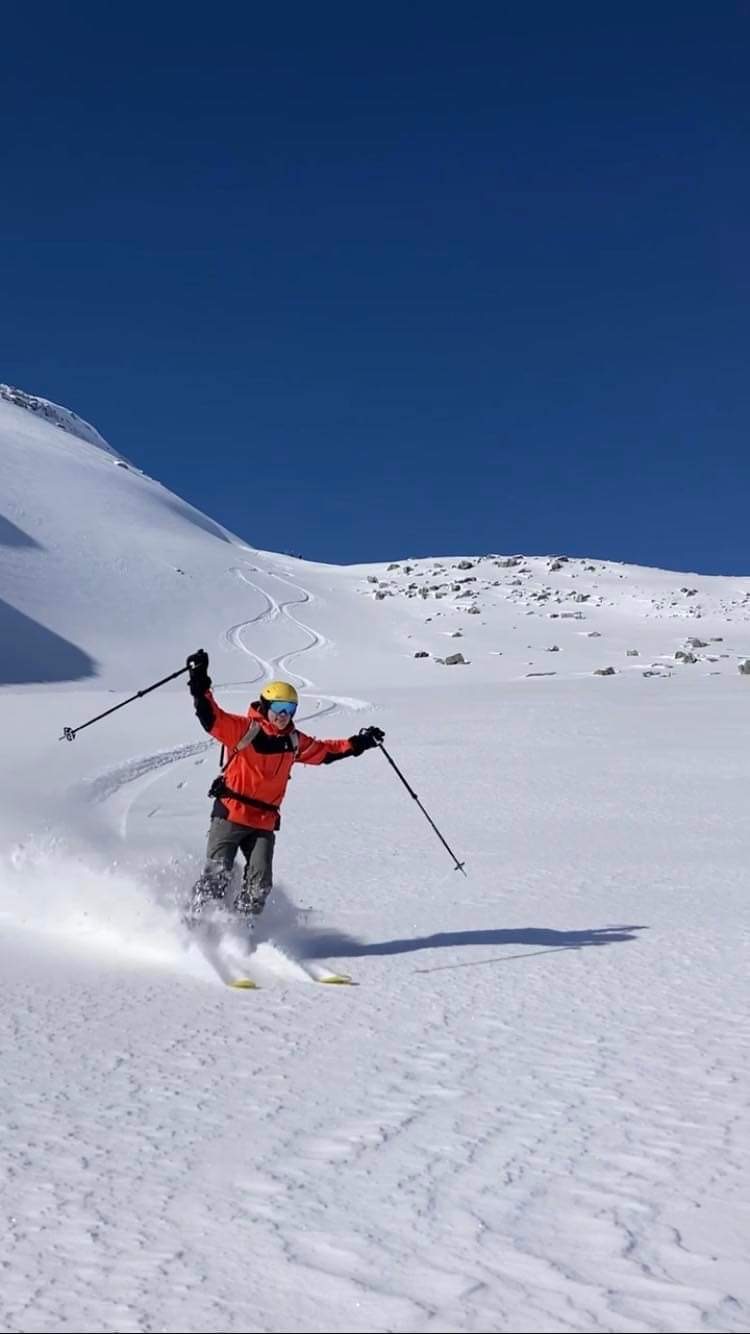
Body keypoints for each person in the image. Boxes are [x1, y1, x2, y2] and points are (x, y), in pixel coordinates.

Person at [184, 649, 384, 922]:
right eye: (278, 709)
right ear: (266, 707)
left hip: (264, 821)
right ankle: (190, 925)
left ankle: (240, 932)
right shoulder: (244, 729)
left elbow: (325, 752)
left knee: (259, 888)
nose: (283, 716)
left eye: (290, 710)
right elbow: (211, 717)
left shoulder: (293, 741)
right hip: (231, 814)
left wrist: (358, 743)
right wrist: (199, 681)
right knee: (216, 878)